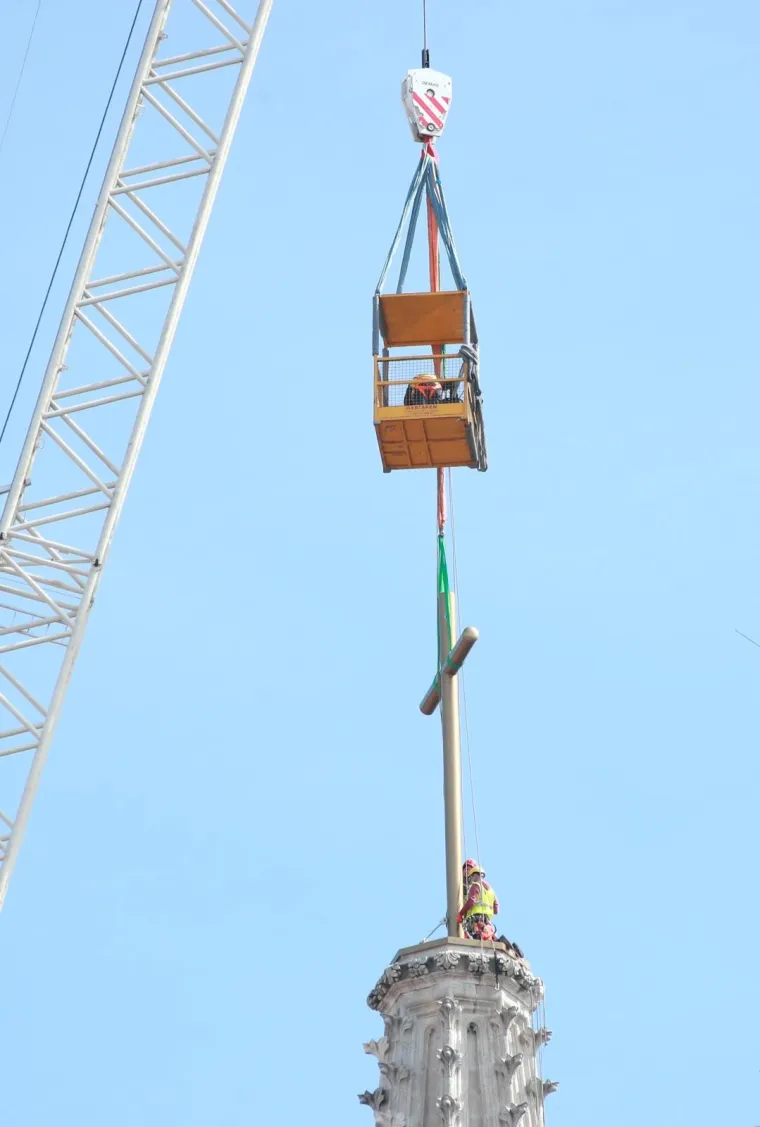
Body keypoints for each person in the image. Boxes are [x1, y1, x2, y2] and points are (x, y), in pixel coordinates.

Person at [457, 859, 499, 941]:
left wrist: (461, 914)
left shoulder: (475, 885)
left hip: (475, 918)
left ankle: (483, 934)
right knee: (487, 934)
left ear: (473, 875)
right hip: (486, 918)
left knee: (472, 936)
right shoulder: (491, 890)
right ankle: (493, 937)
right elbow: (496, 910)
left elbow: (471, 901)